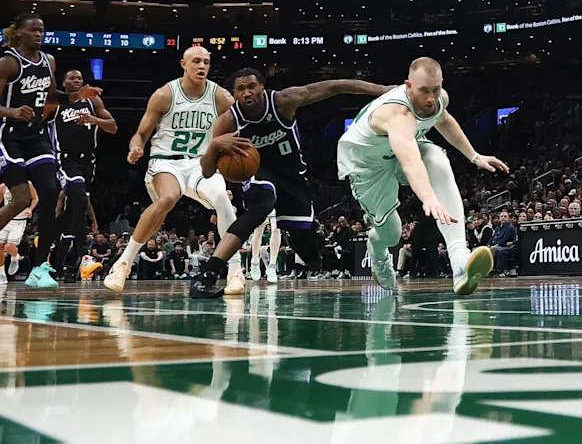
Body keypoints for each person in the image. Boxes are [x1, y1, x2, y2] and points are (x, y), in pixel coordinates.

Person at [190, 68, 390, 298]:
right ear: (233, 93)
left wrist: (383, 91)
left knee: (310, 255)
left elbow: (335, 86)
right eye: (240, 88)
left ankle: (313, 255)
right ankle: (207, 275)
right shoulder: (227, 122)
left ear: (262, 87)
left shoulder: (284, 101)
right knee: (259, 208)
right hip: (259, 173)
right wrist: (215, 146)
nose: (247, 92)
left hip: (292, 176)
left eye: (252, 86)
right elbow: (206, 172)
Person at [0, 13, 100, 290]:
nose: (39, 34)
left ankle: (40, 268)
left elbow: (52, 96)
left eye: (42, 30)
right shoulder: (8, 63)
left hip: (35, 136)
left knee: (51, 192)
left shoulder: (49, 61)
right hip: (6, 134)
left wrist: (79, 95)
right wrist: (12, 111)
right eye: (32, 30)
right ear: (18, 33)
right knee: (19, 200)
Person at [338, 57, 509, 295]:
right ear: (408, 86)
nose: (431, 98)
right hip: (368, 164)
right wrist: (428, 197)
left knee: (438, 160)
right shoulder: (398, 114)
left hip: (403, 147)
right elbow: (410, 162)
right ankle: (376, 250)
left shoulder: (439, 99)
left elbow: (444, 120)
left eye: (435, 90)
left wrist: (474, 156)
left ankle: (460, 262)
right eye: (424, 91)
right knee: (392, 233)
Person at [103, 46, 245, 294]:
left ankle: (235, 270)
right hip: (166, 161)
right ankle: (123, 262)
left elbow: (242, 125)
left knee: (222, 198)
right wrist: (135, 149)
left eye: (206, 63)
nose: (202, 67)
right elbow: (140, 134)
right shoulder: (164, 95)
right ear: (183, 64)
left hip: (202, 162)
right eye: (196, 62)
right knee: (169, 198)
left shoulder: (220, 96)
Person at [49, 69, 116, 281]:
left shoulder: (92, 101)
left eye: (79, 78)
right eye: (72, 78)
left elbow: (113, 127)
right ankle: (83, 257)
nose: (77, 81)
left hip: (88, 160)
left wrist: (94, 119)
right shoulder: (57, 101)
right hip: (65, 158)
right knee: (78, 199)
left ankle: (48, 236)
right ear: (64, 82)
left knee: (75, 207)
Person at [0, 181, 37, 285]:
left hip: (19, 221)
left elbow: (35, 199)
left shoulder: (27, 184)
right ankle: (2, 275)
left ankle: (15, 256)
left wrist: (30, 209)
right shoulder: (3, 186)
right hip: (5, 219)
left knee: (10, 247)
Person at [247, 211, 281, 283]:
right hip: (261, 201)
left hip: (277, 201)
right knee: (258, 230)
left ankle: (272, 265)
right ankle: (255, 261)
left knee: (276, 228)